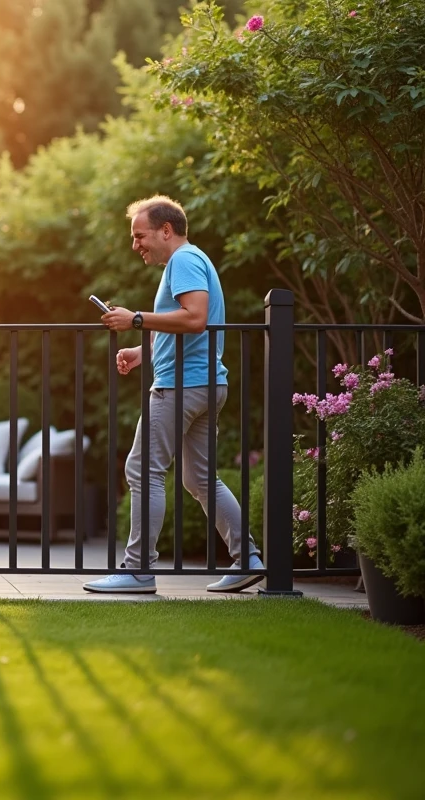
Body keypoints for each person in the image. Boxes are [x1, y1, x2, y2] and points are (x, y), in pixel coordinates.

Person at [84, 195, 264, 594]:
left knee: (142, 469)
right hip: (204, 384)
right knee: (200, 479)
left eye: (140, 235)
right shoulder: (191, 261)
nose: (135, 245)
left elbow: (195, 318)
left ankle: (138, 571)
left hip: (180, 386)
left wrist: (135, 319)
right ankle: (248, 559)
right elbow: (184, 325)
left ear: (166, 230)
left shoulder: (183, 261)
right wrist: (142, 350)